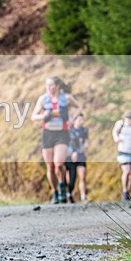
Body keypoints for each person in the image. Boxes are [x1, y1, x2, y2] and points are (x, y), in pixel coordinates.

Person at [30, 76, 83, 204]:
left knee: (59, 164)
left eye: (51, 85)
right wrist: (43, 116)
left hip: (62, 133)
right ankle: (55, 192)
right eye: (47, 85)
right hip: (48, 133)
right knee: (50, 166)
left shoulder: (67, 98)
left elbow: (79, 107)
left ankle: (61, 185)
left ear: (58, 86)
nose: (49, 88)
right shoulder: (43, 99)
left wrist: (72, 118)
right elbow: (33, 116)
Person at [65, 113, 89, 203]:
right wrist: (71, 153)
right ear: (74, 121)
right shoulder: (69, 131)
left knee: (82, 176)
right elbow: (66, 144)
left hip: (80, 155)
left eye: (82, 120)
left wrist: (82, 150)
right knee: (71, 178)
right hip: (70, 157)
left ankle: (83, 196)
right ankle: (68, 193)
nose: (81, 122)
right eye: (79, 120)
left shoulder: (85, 130)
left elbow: (86, 143)